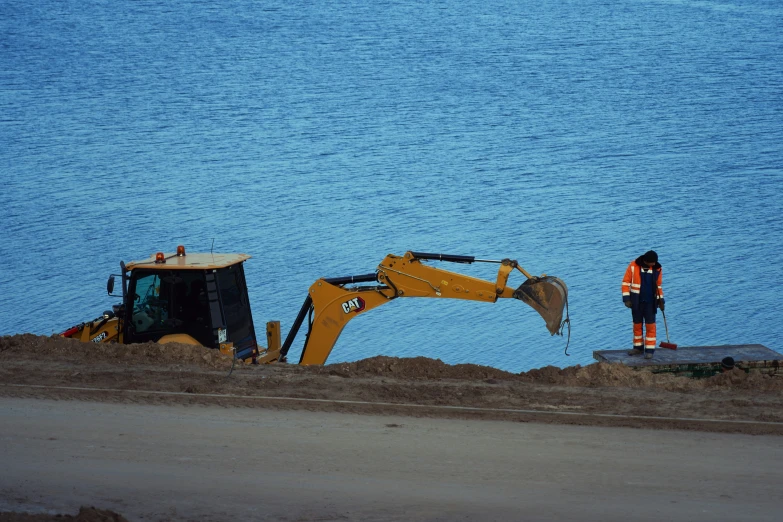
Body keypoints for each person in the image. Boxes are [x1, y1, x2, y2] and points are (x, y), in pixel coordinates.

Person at [622, 250, 664, 359]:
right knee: (637, 325)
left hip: (650, 302)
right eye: (652, 262)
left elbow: (658, 286)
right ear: (646, 261)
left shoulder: (657, 269)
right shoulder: (633, 266)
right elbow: (625, 283)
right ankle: (638, 348)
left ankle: (649, 350)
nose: (654, 264)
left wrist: (661, 300)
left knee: (650, 326)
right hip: (636, 302)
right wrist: (626, 299)